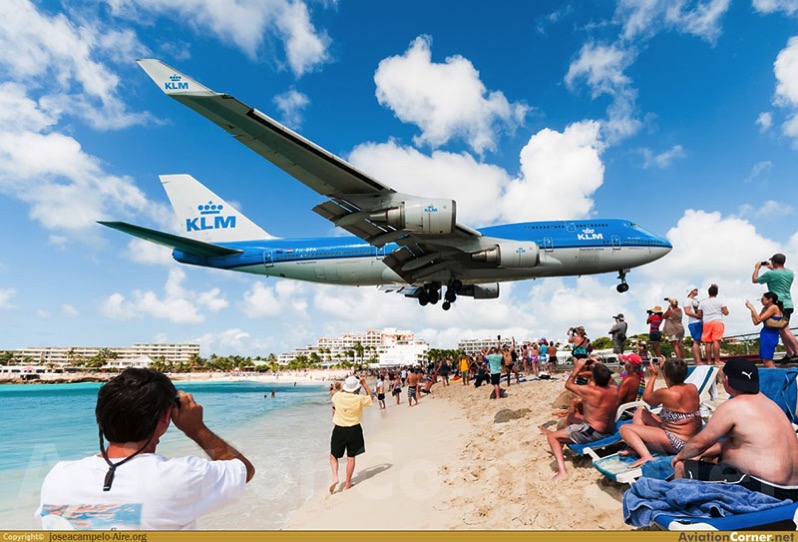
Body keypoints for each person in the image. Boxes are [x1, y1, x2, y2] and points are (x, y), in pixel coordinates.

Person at [36, 368, 255, 530]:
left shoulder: (58, 476)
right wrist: (196, 428)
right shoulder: (179, 476)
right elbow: (243, 469)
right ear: (165, 418)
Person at [672, 358, 798, 500]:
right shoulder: (771, 405)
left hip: (767, 487)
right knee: (715, 457)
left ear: (726, 380)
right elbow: (735, 443)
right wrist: (703, 453)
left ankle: (680, 509)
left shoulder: (733, 406)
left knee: (682, 467)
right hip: (793, 488)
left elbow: (698, 444)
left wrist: (679, 456)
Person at [539, 359, 618, 480]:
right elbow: (609, 378)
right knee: (571, 417)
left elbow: (568, 385)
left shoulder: (591, 391)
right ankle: (565, 437)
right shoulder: (614, 389)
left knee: (552, 437)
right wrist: (597, 364)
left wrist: (576, 369)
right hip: (608, 429)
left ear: (594, 378)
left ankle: (562, 471)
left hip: (592, 432)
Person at [618, 359, 701, 468]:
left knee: (625, 428)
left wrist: (653, 375)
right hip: (689, 437)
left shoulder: (666, 393)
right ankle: (638, 446)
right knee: (640, 412)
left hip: (678, 442)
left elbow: (646, 398)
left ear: (665, 374)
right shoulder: (692, 387)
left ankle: (646, 456)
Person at [329, 375, 374, 493]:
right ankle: (348, 483)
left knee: (333, 455)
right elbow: (371, 399)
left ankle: (335, 477)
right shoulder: (359, 398)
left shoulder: (337, 396)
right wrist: (364, 385)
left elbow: (337, 395)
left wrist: (346, 387)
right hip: (354, 429)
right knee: (351, 457)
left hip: (339, 429)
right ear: (356, 388)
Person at [753, 254, 798, 361]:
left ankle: (796, 351)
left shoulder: (771, 274)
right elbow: (780, 274)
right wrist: (772, 267)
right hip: (788, 303)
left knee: (785, 330)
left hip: (779, 305)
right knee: (782, 330)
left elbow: (755, 280)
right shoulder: (790, 273)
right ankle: (789, 353)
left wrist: (757, 268)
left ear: (773, 262)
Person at [745, 292, 786, 368]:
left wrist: (752, 308)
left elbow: (759, 318)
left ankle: (778, 377)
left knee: (768, 362)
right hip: (765, 334)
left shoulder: (774, 307)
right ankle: (774, 377)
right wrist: (751, 311)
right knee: (765, 361)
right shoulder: (765, 309)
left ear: (770, 300)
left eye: (762, 299)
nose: (761, 301)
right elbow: (756, 321)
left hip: (770, 335)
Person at [697, 284, 729, 366]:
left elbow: (699, 313)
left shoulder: (703, 302)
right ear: (716, 293)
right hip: (717, 321)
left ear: (708, 292)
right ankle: (717, 360)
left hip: (707, 322)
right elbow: (726, 312)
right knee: (716, 341)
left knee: (708, 342)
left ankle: (709, 361)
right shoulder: (720, 301)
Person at [684, 286, 704, 364]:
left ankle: (698, 359)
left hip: (699, 321)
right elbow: (687, 311)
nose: (697, 291)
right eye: (695, 289)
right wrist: (697, 316)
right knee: (696, 341)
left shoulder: (696, 300)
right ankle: (697, 360)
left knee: (699, 341)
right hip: (693, 322)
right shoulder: (687, 301)